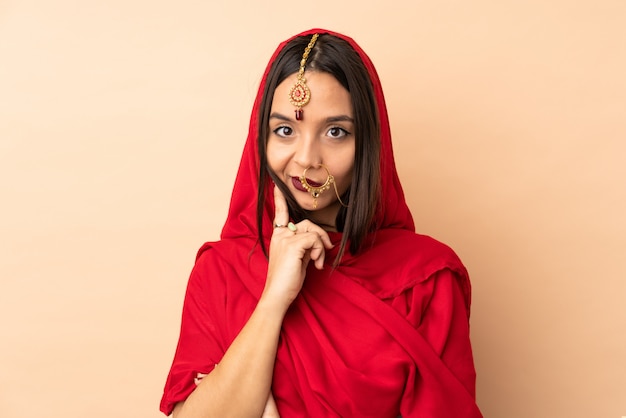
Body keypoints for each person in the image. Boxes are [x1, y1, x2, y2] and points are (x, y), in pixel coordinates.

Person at [160, 29, 483, 418]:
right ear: (260, 139)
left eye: (335, 132)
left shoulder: (425, 278)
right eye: (285, 130)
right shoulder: (221, 272)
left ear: (368, 143)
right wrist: (272, 301)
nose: (307, 158)